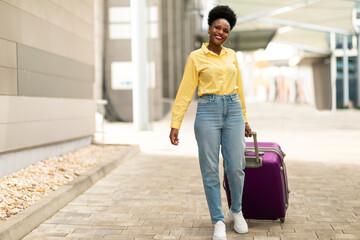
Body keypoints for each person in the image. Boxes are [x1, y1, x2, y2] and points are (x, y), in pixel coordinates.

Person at [169, 5, 252, 240]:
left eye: (226, 30)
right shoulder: (196, 57)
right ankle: (217, 220)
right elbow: (186, 91)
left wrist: (245, 119)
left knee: (235, 167)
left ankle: (236, 210)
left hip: (234, 110)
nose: (221, 32)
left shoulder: (232, 55)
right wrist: (176, 123)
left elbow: (240, 89)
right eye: (217, 27)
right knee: (210, 170)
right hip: (207, 111)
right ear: (209, 28)